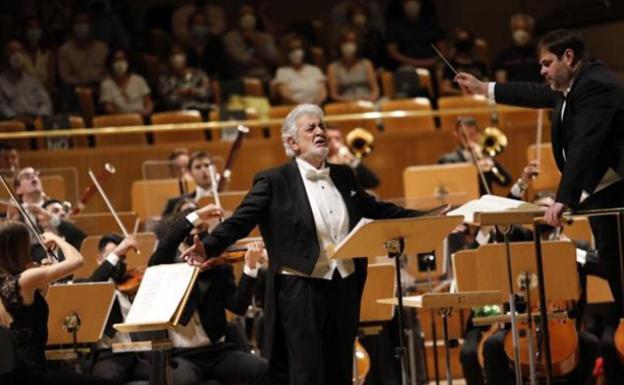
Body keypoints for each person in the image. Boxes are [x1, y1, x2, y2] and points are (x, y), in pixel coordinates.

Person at [181, 104, 424, 385]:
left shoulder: (344, 175)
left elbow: (377, 209)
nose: (319, 131)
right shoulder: (274, 180)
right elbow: (240, 221)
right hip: (300, 289)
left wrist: (426, 218)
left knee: (340, 368)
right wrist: (207, 246)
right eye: (311, 128)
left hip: (344, 284)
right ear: (292, 143)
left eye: (321, 125)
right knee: (306, 373)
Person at [455, 29, 624, 384]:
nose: (542, 71)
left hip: (618, 197)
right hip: (604, 197)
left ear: (568, 58)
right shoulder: (571, 88)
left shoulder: (596, 85)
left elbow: (585, 146)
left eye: (547, 63)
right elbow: (534, 93)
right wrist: (484, 87)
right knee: (616, 274)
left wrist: (562, 198)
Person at [148, 203, 269, 385]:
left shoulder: (219, 267)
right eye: (196, 228)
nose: (200, 234)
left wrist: (250, 269)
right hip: (183, 355)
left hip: (217, 351)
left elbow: (238, 306)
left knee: (262, 370)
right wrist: (197, 215)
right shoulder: (165, 266)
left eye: (204, 229)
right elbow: (168, 242)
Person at [0, 220, 114, 385]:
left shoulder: (8, 284)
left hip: (12, 374)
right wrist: (57, 239)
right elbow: (77, 261)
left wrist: (43, 282)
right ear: (17, 248)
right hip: (32, 374)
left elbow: (28, 316)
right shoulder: (25, 280)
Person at [437, 116, 512, 194]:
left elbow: (506, 181)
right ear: (456, 135)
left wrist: (488, 159)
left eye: (472, 135)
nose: (469, 139)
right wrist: (474, 169)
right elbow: (449, 187)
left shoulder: (484, 158)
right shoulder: (447, 160)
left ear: (478, 134)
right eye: (464, 135)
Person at [222, 4, 279, 82]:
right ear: (237, 19)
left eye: (251, 14)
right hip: (242, 79)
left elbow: (274, 58)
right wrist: (263, 61)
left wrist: (255, 41)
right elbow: (243, 60)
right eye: (243, 15)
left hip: (265, 78)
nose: (247, 18)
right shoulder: (230, 38)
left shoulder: (266, 37)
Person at [0, 40, 53, 121]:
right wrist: (15, 118)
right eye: (12, 52)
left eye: (20, 51)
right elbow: (2, 107)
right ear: (5, 55)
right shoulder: (1, 82)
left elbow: (46, 102)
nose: (17, 56)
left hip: (36, 120)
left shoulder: (32, 80)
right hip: (14, 123)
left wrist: (40, 116)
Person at [327, 27, 380, 102]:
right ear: (340, 44)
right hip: (345, 103)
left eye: (352, 41)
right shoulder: (332, 67)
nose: (349, 44)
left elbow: (375, 90)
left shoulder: (366, 63)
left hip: (368, 101)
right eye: (346, 41)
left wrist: (371, 99)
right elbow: (334, 95)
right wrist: (353, 101)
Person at [57, 11, 108, 88]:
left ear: (91, 25)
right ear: (72, 27)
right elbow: (65, 77)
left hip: (102, 87)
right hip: (77, 89)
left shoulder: (102, 48)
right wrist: (83, 83)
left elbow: (109, 72)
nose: (81, 26)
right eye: (77, 23)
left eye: (84, 22)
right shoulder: (64, 50)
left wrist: (100, 82)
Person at [273, 34, 327, 105]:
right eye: (292, 49)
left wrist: (313, 107)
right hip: (293, 110)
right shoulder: (282, 72)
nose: (296, 52)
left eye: (298, 48)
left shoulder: (315, 70)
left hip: (315, 108)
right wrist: (303, 107)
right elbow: (285, 94)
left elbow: (322, 93)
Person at [99, 48, 153, 117]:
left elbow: (148, 102)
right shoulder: (106, 84)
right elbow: (108, 108)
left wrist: (146, 112)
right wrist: (127, 116)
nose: (120, 63)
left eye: (123, 59)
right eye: (116, 60)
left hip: (141, 118)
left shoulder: (139, 80)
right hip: (120, 121)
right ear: (110, 63)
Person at [159, 44, 212, 111]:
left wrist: (193, 91)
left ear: (185, 56)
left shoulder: (199, 74)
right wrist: (182, 93)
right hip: (178, 114)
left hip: (201, 111)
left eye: (179, 54)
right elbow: (169, 101)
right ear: (169, 59)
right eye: (173, 55)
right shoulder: (164, 79)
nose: (176, 58)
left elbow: (207, 94)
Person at [162, 151, 214, 217]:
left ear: (215, 169)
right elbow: (165, 226)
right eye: (198, 167)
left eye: (207, 165)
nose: (203, 170)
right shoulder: (175, 203)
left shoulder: (228, 197)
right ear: (190, 173)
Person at [439, 28, 488, 96]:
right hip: (459, 101)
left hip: (480, 100)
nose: (464, 43)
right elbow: (445, 89)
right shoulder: (450, 64)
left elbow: (487, 85)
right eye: (461, 40)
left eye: (466, 40)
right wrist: (462, 93)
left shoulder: (480, 64)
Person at [494, 14, 541, 83]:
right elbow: (501, 82)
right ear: (512, 30)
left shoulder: (539, 53)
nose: (521, 32)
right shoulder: (503, 56)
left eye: (525, 29)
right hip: (511, 92)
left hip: (537, 92)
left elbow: (547, 78)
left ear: (531, 31)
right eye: (517, 29)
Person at [22, 17, 56, 90]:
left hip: (44, 94)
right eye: (31, 27)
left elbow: (51, 81)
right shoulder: (19, 53)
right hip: (23, 95)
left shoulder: (49, 54)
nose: (34, 31)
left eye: (37, 28)